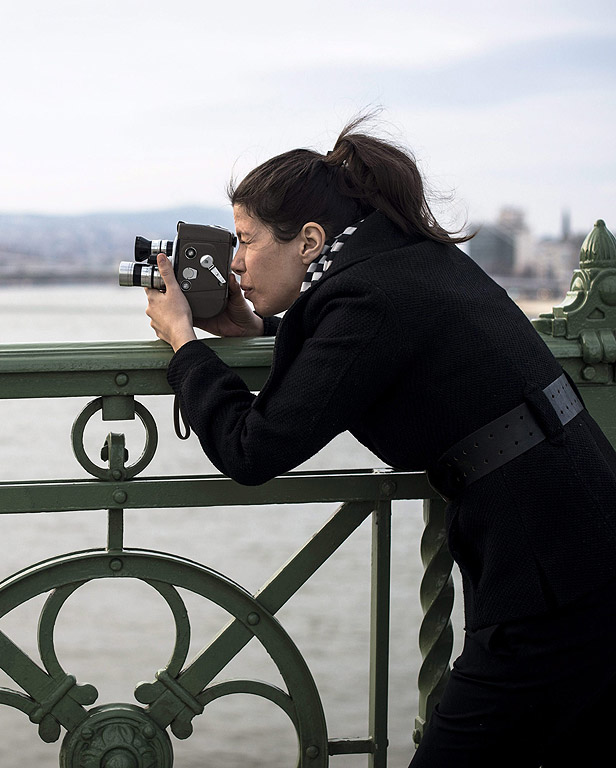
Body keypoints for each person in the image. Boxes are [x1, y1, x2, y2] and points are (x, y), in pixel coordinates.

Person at [143, 115, 616, 767]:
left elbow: (251, 449)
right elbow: (360, 356)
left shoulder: (364, 297)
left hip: (551, 568)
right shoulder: (394, 263)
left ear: (308, 240)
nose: (235, 262)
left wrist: (183, 344)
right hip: (572, 535)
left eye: (246, 241)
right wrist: (261, 325)